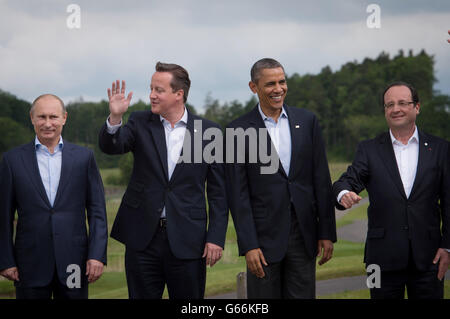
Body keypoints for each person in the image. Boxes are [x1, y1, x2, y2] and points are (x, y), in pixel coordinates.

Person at [98, 62, 228, 299]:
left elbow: (219, 192)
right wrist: (116, 118)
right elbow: (111, 146)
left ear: (179, 94)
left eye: (159, 90)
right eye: (151, 88)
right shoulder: (139, 122)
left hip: (188, 240)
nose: (151, 95)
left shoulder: (210, 132)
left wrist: (216, 238)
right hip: (142, 239)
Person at [225, 58, 336, 299]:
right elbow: (238, 194)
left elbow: (321, 180)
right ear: (254, 87)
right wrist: (249, 245)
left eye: (282, 82)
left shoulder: (308, 122)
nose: (278, 89)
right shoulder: (237, 130)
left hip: (304, 236)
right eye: (270, 84)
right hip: (263, 241)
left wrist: (326, 232)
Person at [333, 81, 449, 299]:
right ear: (385, 110)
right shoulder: (368, 149)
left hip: (430, 258)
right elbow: (346, 181)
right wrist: (343, 193)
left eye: (403, 103)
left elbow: (449, 202)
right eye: (390, 105)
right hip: (379, 261)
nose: (396, 109)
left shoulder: (441, 149)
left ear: (417, 107)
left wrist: (448, 247)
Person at [0, 94, 108, 299]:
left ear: (64, 118)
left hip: (74, 263)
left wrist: (96, 255)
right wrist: (6, 260)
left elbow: (97, 211)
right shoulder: (12, 160)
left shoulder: (84, 158)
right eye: (41, 117)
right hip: (29, 264)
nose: (47, 123)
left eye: (53, 117)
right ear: (32, 118)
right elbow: (3, 216)